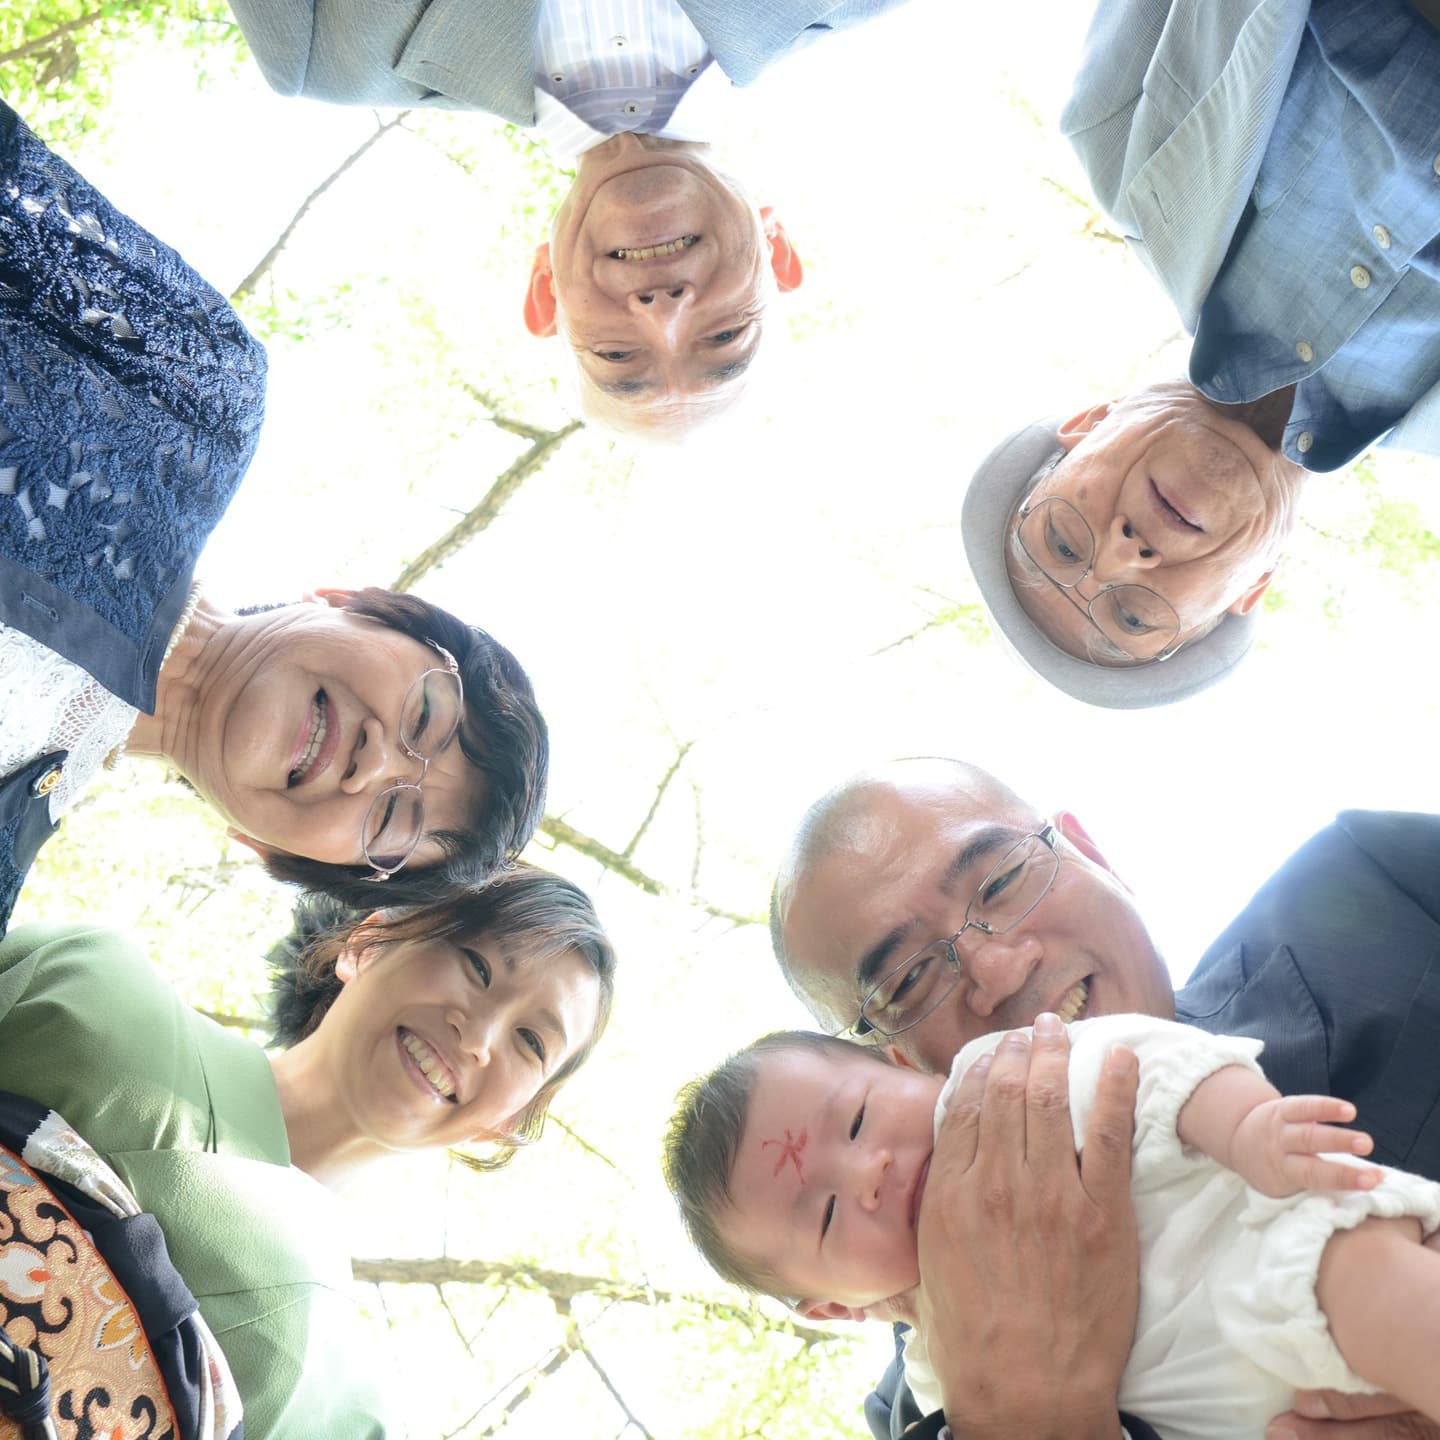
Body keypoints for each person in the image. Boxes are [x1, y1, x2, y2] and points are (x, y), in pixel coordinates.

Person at [0, 102, 550, 934]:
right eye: (426, 717)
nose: (376, 764)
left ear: (266, 854)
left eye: (393, 822)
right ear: (362, 602)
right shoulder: (197, 396)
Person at [770, 758, 1440, 1440]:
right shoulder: (931, 1413)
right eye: (908, 980)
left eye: (1001, 881)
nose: (999, 969)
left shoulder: (1373, 891)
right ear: (902, 1068)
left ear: (1091, 854)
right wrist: (1025, 1417)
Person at [0, 862, 617, 1437]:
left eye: (531, 1042)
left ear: (507, 1122)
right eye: (477, 966)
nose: (478, 1035)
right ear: (367, 942)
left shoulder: (348, 1410)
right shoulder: (89, 979)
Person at [961, 0, 1440, 707]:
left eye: (1062, 541)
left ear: (1088, 424)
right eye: (1135, 616)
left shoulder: (1118, 134)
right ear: (1254, 587)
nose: (1125, 553)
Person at [665, 1020, 1440, 1440]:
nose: (871, 1172)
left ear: (905, 1065)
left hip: (1282, 1256)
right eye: (829, 1215)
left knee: (1361, 1283)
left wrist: (1245, 1128)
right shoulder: (938, 1396)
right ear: (835, 1307)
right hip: (1265, 1420)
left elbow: (1143, 1064)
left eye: (862, 1119)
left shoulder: (1007, 1088)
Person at [226, 0, 913, 435]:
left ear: (544, 292)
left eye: (617, 353)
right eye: (725, 335)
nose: (663, 310)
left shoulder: (318, 53)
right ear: (778, 249)